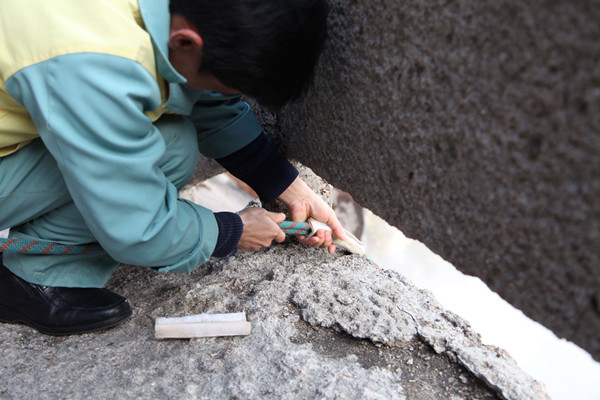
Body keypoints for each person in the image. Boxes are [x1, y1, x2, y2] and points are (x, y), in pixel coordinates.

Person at [0, 0, 344, 335]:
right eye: (222, 85)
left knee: (172, 141)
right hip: (69, 74)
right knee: (168, 149)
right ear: (185, 41)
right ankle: (35, 277)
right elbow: (138, 225)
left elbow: (206, 101)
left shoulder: (167, 14)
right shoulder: (91, 63)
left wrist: (288, 186)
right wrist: (231, 230)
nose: (216, 92)